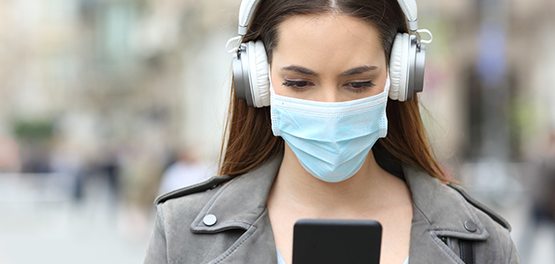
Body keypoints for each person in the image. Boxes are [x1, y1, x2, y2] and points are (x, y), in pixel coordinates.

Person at [144, 0, 520, 263]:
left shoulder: (481, 243)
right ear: (257, 82)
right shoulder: (182, 233)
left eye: (357, 84)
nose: (330, 109)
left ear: (398, 78)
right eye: (298, 83)